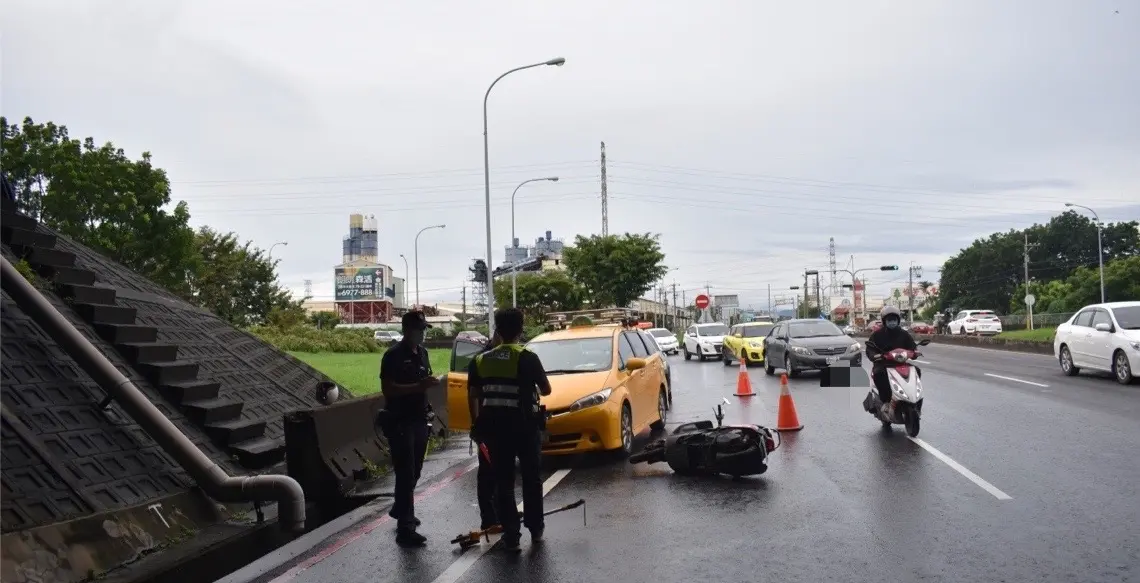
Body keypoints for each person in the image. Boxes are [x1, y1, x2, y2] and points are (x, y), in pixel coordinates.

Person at [468, 308, 552, 552]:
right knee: (531, 479)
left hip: (494, 430)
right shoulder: (527, 357)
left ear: (497, 330)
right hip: (525, 428)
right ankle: (535, 529)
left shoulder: (481, 360)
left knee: (503, 482)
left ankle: (512, 536)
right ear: (520, 329)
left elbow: (473, 396)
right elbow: (546, 390)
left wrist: (477, 426)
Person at [378, 310, 438, 547]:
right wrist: (417, 386)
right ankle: (406, 526)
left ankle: (400, 508)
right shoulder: (392, 355)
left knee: (416, 471)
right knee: (405, 471)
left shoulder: (423, 354)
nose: (422, 334)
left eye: (424, 330)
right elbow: (388, 389)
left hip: (420, 419)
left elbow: (425, 382)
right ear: (406, 330)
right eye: (418, 330)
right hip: (400, 421)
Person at [470, 331, 503, 533]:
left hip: (506, 424)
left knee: (503, 474)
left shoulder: (513, 356)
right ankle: (489, 519)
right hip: (488, 425)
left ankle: (500, 515)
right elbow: (472, 395)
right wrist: (476, 425)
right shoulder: (481, 360)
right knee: (488, 474)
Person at [865, 306, 918, 418]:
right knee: (880, 374)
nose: (892, 322)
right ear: (885, 321)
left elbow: (912, 347)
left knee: (916, 370)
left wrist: (915, 353)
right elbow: (870, 349)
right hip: (883, 364)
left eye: (894, 320)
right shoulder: (877, 335)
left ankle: (914, 397)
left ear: (898, 320)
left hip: (900, 363)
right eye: (889, 320)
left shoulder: (904, 334)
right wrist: (874, 355)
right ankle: (885, 402)